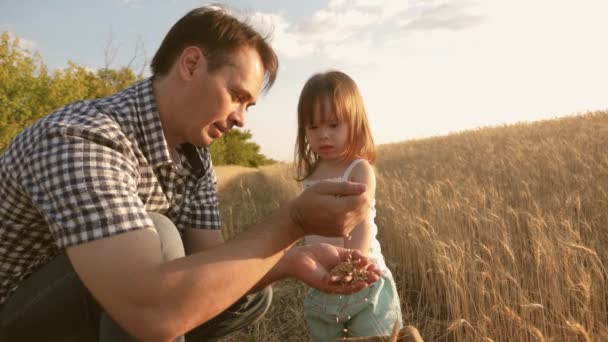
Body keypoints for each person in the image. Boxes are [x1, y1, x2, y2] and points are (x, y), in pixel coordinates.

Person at [0, 6, 381, 342]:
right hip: (13, 316)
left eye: (248, 105)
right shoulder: (82, 138)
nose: (241, 119)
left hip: (102, 305)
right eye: (237, 96)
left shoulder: (194, 157)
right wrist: (294, 221)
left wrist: (291, 261)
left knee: (246, 290)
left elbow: (210, 257)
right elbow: (150, 310)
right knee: (160, 235)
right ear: (191, 64)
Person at [294, 71, 403, 341]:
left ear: (355, 123)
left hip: (364, 280)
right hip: (323, 283)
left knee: (378, 338)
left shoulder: (358, 169)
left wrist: (352, 267)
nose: (324, 136)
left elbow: (361, 222)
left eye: (333, 125)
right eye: (313, 127)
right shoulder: (310, 174)